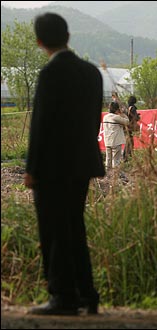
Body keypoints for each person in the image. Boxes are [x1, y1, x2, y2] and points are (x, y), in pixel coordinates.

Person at [24, 12, 105, 315]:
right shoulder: (91, 73)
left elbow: (40, 125)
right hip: (82, 164)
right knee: (74, 226)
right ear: (68, 36)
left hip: (51, 168)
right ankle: (87, 293)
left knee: (54, 231)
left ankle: (63, 296)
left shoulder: (49, 74)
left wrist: (31, 168)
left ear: (39, 41)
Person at [103, 101, 129, 169]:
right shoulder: (116, 117)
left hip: (107, 141)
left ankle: (108, 175)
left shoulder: (105, 117)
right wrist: (122, 113)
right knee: (116, 160)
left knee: (108, 159)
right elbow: (127, 121)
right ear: (116, 109)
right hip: (116, 141)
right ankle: (116, 175)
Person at [123, 95, 140, 162]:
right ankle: (127, 157)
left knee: (128, 141)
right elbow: (135, 117)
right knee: (130, 142)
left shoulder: (126, 108)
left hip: (126, 126)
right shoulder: (133, 108)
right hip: (130, 127)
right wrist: (138, 117)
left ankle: (127, 156)